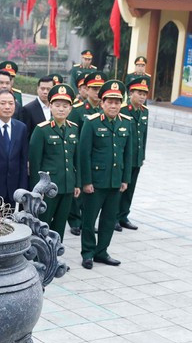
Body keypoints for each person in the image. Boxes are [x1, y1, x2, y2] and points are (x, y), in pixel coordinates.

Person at [79, 80, 132, 269]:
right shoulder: (91, 123)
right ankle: (87, 253)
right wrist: (86, 181)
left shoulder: (126, 124)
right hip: (95, 181)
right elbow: (84, 154)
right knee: (89, 219)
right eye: (109, 101)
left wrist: (125, 179)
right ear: (102, 103)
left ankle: (102, 252)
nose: (113, 105)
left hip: (115, 182)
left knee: (109, 220)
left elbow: (128, 153)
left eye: (117, 102)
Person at [28, 83, 80, 241]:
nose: (61, 109)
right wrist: (36, 190)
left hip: (67, 186)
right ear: (50, 106)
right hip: (48, 187)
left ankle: (56, 256)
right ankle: (41, 258)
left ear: (70, 108)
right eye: (57, 105)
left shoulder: (73, 128)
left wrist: (77, 183)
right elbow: (35, 163)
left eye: (65, 106)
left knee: (60, 223)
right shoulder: (42, 129)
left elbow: (75, 160)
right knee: (44, 223)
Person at [67, 71, 106, 236]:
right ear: (86, 89)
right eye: (93, 88)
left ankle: (87, 220)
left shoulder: (104, 110)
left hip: (96, 157)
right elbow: (72, 132)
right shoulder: (78, 110)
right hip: (79, 154)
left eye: (100, 88)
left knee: (92, 190)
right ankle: (75, 220)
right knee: (79, 189)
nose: (97, 92)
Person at [116, 75, 150, 232]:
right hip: (123, 158)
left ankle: (123, 216)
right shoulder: (122, 110)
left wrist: (142, 155)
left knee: (130, 189)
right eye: (139, 93)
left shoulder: (145, 112)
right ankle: (113, 217)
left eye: (144, 94)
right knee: (119, 188)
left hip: (136, 157)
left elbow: (144, 135)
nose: (142, 97)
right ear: (131, 94)